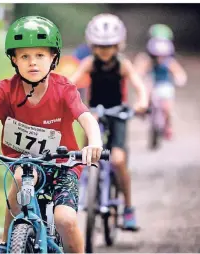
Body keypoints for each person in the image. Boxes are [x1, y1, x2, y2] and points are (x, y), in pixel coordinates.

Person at [0, 16, 104, 253]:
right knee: (20, 177)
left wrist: (95, 143)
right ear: (14, 60)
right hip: (27, 163)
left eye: (40, 55)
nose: (33, 63)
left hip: (63, 165)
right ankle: (6, 242)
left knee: (65, 220)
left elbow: (86, 118)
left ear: (53, 58)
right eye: (24, 56)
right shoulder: (6, 91)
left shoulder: (64, 90)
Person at [70, 13, 148, 230]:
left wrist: (142, 102)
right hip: (93, 114)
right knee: (85, 155)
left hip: (118, 115)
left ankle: (129, 207)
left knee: (118, 160)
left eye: (110, 46)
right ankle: (81, 192)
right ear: (92, 46)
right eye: (99, 46)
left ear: (118, 46)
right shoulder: (89, 63)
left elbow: (138, 85)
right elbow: (71, 83)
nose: (104, 51)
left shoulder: (123, 65)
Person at [136, 37, 187, 139]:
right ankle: (144, 109)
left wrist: (180, 78)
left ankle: (168, 125)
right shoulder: (149, 61)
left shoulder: (169, 62)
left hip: (165, 85)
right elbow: (140, 71)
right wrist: (139, 75)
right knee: (146, 90)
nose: (160, 58)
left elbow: (178, 72)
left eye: (163, 56)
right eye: (157, 56)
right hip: (153, 83)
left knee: (167, 108)